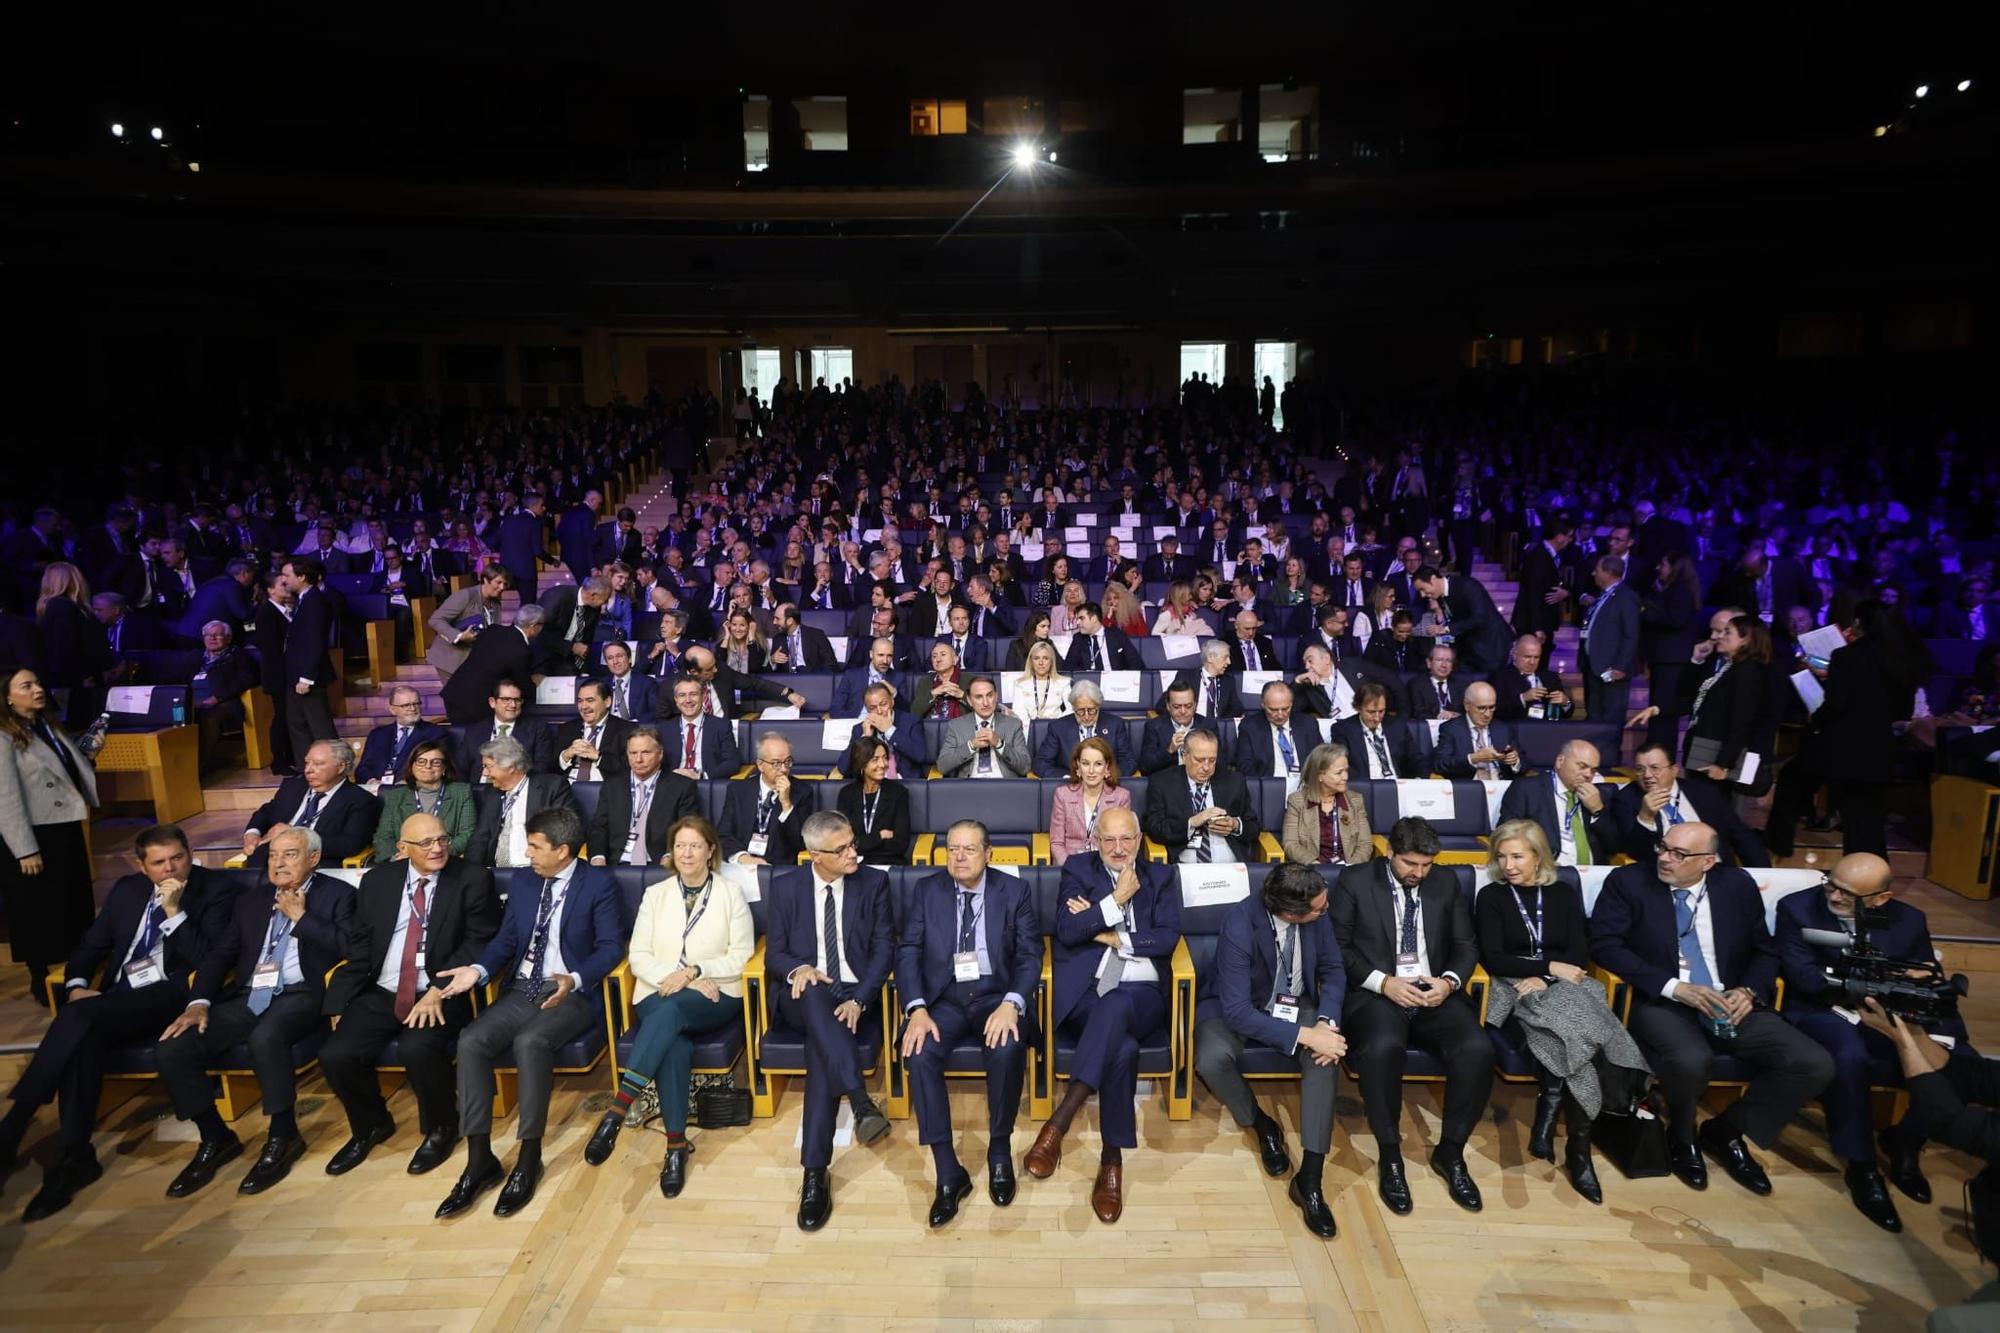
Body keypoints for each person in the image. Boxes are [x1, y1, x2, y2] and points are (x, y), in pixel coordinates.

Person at [1587, 821, 1835, 1197]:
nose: (1665, 858)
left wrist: (1750, 990)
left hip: (1729, 1000)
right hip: (1663, 1000)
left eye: (1679, 854)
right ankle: (1682, 1133)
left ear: (1707, 861)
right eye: (1663, 847)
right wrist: (1674, 988)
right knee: (1690, 1058)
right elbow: (1606, 945)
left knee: (1813, 1063)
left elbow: (1765, 950)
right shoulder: (1629, 882)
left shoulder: (1735, 885)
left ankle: (1728, 1131)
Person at [0, 824, 234, 1219]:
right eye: (159, 863)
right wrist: (75, 985)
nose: (170, 868)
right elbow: (90, 947)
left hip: (170, 994)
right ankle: (75, 1157)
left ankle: (15, 1124)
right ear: (142, 866)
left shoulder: (214, 890)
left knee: (78, 1019)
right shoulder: (127, 891)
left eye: (178, 857)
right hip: (116, 1000)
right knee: (82, 1037)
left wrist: (174, 912)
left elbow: (210, 959)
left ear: (189, 853)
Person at [432, 806, 624, 1219]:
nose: (528, 853)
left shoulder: (597, 884)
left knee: (531, 1041)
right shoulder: (523, 881)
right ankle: (479, 1159)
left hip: (569, 991)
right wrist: (478, 969)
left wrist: (574, 978)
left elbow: (610, 947)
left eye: (536, 847)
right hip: (522, 987)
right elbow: (507, 939)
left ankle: (529, 1155)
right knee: (472, 1041)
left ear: (563, 850)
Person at [155, 826, 356, 1198]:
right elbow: (220, 956)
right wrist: (198, 1003)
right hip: (249, 995)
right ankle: (215, 1137)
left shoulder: (337, 895)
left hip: (304, 993)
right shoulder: (251, 901)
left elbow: (351, 948)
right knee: (173, 1046)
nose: (278, 863)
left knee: (267, 1036)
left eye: (290, 854)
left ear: (313, 858)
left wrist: (302, 918)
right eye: (273, 855)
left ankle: (283, 1135)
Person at [1775, 853, 1962, 1232]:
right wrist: (1871, 988)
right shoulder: (1797, 908)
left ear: (1880, 898)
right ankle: (1862, 1166)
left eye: (1847, 893)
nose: (1834, 896)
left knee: (1953, 1055)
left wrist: (1897, 995)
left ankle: (1906, 1142)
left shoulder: (1909, 920)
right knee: (1850, 1055)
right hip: (1823, 1010)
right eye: (1831, 883)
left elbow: (1922, 975)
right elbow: (1806, 980)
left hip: (1891, 1008)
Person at [1476, 820, 1648, 1205]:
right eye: (1501, 857)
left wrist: (1550, 975)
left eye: (1517, 856)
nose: (1508, 865)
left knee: (1574, 1033)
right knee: (1579, 1041)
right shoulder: (1491, 897)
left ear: (1538, 857)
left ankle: (1552, 1112)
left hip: (1566, 984)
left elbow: (1577, 950)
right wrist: (1545, 970)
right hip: (1516, 986)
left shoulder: (1563, 894)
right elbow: (1493, 956)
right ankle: (1578, 1149)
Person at [318, 813, 500, 1178]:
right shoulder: (378, 882)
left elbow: (479, 939)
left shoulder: (473, 879)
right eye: (426, 843)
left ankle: (442, 1127)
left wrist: (438, 988)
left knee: (417, 1047)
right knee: (336, 1054)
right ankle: (371, 1125)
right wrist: (338, 1000)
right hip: (384, 988)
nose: (437, 849)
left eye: (442, 840)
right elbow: (361, 946)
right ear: (402, 848)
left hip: (442, 989)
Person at [584, 816, 755, 1199]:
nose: (687, 853)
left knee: (671, 1015)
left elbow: (741, 955)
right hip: (659, 991)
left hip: (715, 995)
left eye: (695, 845)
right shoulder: (655, 895)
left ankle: (617, 1110)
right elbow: (639, 955)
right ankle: (675, 1145)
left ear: (711, 850)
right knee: (672, 1038)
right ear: (671, 851)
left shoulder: (730, 893)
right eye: (680, 846)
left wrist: (697, 970)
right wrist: (678, 977)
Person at [1026, 807, 1181, 1225]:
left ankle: (1062, 1120)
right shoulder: (1078, 870)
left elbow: (1167, 938)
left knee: (1119, 1010)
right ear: (1095, 840)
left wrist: (1109, 932)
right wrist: (1116, 901)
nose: (1117, 849)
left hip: (1143, 991)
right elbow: (1066, 930)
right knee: (1122, 1047)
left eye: (1126, 840)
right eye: (1108, 840)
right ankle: (1111, 1160)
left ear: (1139, 837)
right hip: (1088, 993)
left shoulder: (1162, 877)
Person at [1332, 816, 1492, 1214]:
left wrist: (1450, 982)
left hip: (1432, 990)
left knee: (1477, 1048)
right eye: (1409, 864)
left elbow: (1465, 944)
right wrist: (1383, 983)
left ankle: (1450, 1152)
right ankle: (1390, 1154)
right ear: (1390, 852)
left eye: (1426, 865)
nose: (1418, 873)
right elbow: (1338, 948)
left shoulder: (1445, 883)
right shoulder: (1355, 882)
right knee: (1383, 1048)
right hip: (1378, 993)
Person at [897, 819, 1041, 1226]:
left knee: (1008, 1047)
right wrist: (916, 1009)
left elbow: (1031, 955)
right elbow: (907, 951)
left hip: (996, 996)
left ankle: (998, 1150)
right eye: (952, 849)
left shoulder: (1014, 891)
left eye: (969, 849)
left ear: (988, 854)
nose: (959, 857)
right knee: (919, 1052)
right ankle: (948, 1172)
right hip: (943, 1000)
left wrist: (1013, 1003)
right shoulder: (927, 891)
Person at [1193, 862, 1349, 1237]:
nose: (1324, 912)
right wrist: (1307, 1036)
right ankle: (1261, 1124)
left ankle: (1310, 1179)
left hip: (1297, 1003)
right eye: (1318, 910)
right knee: (1211, 1060)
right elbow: (1237, 1011)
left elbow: (1333, 970)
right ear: (1290, 914)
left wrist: (1326, 1022)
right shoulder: (1239, 923)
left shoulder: (1317, 907)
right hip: (1238, 1007)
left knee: (1324, 1060)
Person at [767, 810, 894, 1231]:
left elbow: (882, 951)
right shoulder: (786, 888)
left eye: (853, 843)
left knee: (823, 1054)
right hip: (802, 995)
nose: (854, 853)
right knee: (815, 991)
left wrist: (860, 998)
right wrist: (798, 969)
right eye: (842, 850)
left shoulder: (874, 882)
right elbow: (775, 955)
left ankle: (813, 1173)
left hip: (854, 995)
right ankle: (858, 1101)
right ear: (814, 855)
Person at [1764, 599, 1924, 858]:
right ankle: (1869, 875)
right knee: (1866, 818)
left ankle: (1777, 844)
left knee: (1792, 780)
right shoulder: (1902, 658)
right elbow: (1902, 711)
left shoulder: (1847, 655)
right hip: (1878, 748)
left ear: (1859, 623)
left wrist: (1816, 720)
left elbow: (1836, 705)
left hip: (1840, 747)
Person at [0, 665, 101, 1005]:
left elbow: (61, 771)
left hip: (63, 826)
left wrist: (86, 753)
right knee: (36, 907)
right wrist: (24, 849)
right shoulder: (3, 735)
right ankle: (40, 978)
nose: (37, 689)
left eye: (38, 682)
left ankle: (79, 970)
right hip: (32, 834)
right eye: (25, 686)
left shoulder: (44, 726)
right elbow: (5, 797)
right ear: (8, 698)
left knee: (73, 900)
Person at [1629, 610, 1773, 795]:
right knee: (1698, 797)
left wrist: (1722, 764)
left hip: (1717, 750)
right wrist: (1658, 709)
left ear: (1745, 640)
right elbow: (1698, 699)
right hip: (1702, 745)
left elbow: (1741, 723)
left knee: (1710, 803)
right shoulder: (1728, 666)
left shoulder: (1747, 672)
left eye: (1727, 632)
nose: (1719, 637)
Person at [1611, 742, 1766, 867]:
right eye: (1640, 769)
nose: (1647, 775)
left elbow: (1740, 834)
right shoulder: (1626, 799)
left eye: (1655, 768)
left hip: (1716, 870)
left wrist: (1764, 875)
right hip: (1668, 875)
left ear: (1674, 770)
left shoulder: (1703, 791)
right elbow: (1635, 851)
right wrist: (1645, 818)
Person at [240, 739, 382, 868]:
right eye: (307, 763)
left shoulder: (360, 800)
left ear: (340, 767)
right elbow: (267, 811)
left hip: (316, 867)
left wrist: (297, 835)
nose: (308, 770)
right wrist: (252, 833)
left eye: (318, 764)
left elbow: (350, 844)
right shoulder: (293, 787)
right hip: (268, 863)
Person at [585, 726, 701, 867]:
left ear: (660, 754)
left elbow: (687, 827)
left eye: (646, 752)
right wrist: (598, 857)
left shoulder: (681, 786)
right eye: (633, 753)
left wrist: (671, 854)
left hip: (660, 862)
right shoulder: (612, 786)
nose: (638, 759)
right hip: (615, 861)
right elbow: (599, 828)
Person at [1141, 729, 1261, 863]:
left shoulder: (1234, 781)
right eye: (1199, 760)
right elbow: (1154, 828)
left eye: (1212, 760)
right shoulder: (1162, 782)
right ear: (1184, 755)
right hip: (1186, 866)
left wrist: (1235, 825)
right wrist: (1192, 823)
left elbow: (1253, 826)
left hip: (1229, 866)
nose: (1206, 767)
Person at [464, 736, 584, 869]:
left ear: (510, 767)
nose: (485, 773)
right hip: (495, 870)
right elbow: (480, 839)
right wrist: (472, 871)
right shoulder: (491, 794)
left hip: (537, 870)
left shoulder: (552, 787)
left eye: (488, 766)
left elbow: (566, 831)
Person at [1496, 739, 1617, 867]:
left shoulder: (1599, 795)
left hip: (1593, 875)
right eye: (1582, 766)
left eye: (1593, 770)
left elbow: (1613, 846)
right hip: (1544, 873)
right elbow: (1505, 835)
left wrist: (1597, 810)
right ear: (1560, 761)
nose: (1588, 775)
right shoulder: (1527, 789)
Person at [1638, 553, 1704, 752]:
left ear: (1676, 568)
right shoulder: (1675, 590)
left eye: (1663, 564)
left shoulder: (1680, 591)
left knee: (1664, 709)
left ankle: (1661, 752)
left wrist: (1645, 611)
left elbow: (1675, 619)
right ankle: (1656, 750)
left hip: (1672, 659)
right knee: (1660, 707)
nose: (1659, 568)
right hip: (1665, 657)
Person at [371, 739, 478, 861]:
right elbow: (383, 836)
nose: (428, 766)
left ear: (444, 768)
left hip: (445, 860)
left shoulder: (461, 792)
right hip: (403, 862)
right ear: (411, 766)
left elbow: (467, 833)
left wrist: (436, 855)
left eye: (436, 762)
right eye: (421, 761)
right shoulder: (395, 796)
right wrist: (397, 858)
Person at [441, 602, 545, 726]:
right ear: (534, 626)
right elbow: (524, 686)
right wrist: (537, 687)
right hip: (475, 705)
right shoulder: (521, 651)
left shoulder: (492, 630)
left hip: (454, 692)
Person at [719, 733, 816, 865]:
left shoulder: (802, 792)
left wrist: (786, 804)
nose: (784, 769)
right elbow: (723, 835)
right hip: (741, 864)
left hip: (778, 869)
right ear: (760, 765)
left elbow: (801, 843)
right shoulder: (737, 791)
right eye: (776, 763)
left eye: (788, 761)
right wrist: (743, 858)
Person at [279, 557, 339, 760]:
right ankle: (308, 772)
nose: (283, 580)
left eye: (287, 575)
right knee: (297, 724)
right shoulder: (304, 599)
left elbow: (315, 642)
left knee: (320, 727)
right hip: (295, 675)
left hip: (308, 677)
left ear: (302, 577)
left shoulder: (315, 602)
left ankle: (336, 768)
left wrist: (306, 677)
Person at [1281, 742, 1373, 866]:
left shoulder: (1355, 801)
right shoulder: (1297, 802)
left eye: (1346, 771)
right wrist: (1315, 865)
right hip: (1311, 870)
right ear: (1320, 775)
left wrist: (1351, 867)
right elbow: (1290, 844)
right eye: (1339, 773)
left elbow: (1365, 844)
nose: (1345, 777)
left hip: (1350, 869)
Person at [1048, 736, 1132, 865]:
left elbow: (1120, 843)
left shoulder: (1121, 797)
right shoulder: (1062, 795)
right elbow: (1057, 843)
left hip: (1105, 866)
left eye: (1098, 764)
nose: (1091, 771)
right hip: (1070, 865)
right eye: (1086, 763)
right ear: (1078, 766)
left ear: (1107, 767)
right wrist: (1071, 867)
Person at [1412, 564, 1511, 672]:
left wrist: (1446, 629)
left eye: (1423, 589)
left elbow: (1479, 618)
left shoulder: (1467, 585)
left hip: (1491, 648)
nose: (1422, 595)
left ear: (1433, 579)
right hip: (1469, 651)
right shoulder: (1440, 597)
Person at [1578, 555, 1639, 724]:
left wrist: (1620, 666)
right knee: (1594, 717)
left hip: (1612, 670)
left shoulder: (1626, 597)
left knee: (1610, 720)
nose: (1593, 573)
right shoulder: (1603, 596)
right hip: (1594, 667)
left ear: (1608, 573)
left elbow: (1631, 635)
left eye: (1597, 570)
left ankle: (1610, 751)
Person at [834, 733, 912, 864]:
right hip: (852, 863)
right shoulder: (846, 794)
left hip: (888, 863)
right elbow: (843, 842)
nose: (882, 764)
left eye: (884, 758)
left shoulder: (898, 793)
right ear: (861, 764)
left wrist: (861, 843)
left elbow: (900, 844)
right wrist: (879, 836)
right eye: (875, 759)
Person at [1235, 681, 1321, 795]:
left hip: (1306, 789)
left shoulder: (1308, 723)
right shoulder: (1250, 727)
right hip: (1269, 790)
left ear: (1291, 703)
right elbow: (1244, 766)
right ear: (1263, 704)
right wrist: (1266, 788)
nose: (1280, 715)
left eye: (1286, 708)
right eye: (1273, 710)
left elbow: (1322, 758)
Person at [937, 676, 1031, 778]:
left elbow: (1025, 767)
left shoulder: (1013, 725)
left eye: (989, 696)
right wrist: (971, 746)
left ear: (996, 696)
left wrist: (1000, 744)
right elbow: (943, 766)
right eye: (979, 697)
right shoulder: (956, 726)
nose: (985, 703)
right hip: (970, 788)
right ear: (969, 700)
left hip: (1004, 786)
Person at [1331, 681, 1424, 781]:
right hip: (1364, 787)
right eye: (1371, 712)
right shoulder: (1343, 729)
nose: (1377, 718)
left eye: (1381, 711)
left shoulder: (1398, 726)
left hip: (1398, 785)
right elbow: (1340, 764)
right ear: (1358, 708)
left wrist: (1419, 778)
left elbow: (1417, 759)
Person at [355, 685, 445, 787]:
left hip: (410, 790)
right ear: (393, 709)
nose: (412, 708)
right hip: (376, 790)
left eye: (416, 704)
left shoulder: (435, 733)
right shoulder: (377, 735)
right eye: (406, 705)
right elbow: (363, 769)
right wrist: (371, 781)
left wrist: (409, 783)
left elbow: (437, 768)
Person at [1432, 682, 1521, 782]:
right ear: (1467, 705)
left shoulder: (1503, 728)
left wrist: (1515, 761)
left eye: (1492, 707)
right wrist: (1473, 758)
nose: (1487, 714)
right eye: (1481, 708)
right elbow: (1440, 765)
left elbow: (1525, 760)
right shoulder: (1451, 729)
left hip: (1501, 785)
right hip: (1468, 789)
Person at [552, 680, 634, 784]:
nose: (584, 706)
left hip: (606, 789)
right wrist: (565, 755)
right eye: (580, 701)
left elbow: (631, 767)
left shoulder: (626, 729)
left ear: (607, 702)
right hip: (568, 788)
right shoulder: (568, 728)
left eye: (590, 700)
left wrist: (598, 757)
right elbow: (550, 768)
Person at [1061, 601, 1140, 672]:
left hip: (1115, 682)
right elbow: (1068, 667)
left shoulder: (1117, 635)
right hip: (1089, 683)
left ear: (1094, 619)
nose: (1077, 622)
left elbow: (1136, 663)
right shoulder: (1078, 639)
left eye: (1081, 618)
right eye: (1077, 619)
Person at [1008, 640, 1073, 721]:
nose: (1041, 662)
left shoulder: (1063, 683)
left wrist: (1057, 725)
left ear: (1051, 661)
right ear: (1031, 661)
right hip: (1028, 728)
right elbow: (1019, 711)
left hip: (1057, 727)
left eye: (1045, 658)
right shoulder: (1020, 684)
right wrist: (1033, 727)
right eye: (1036, 658)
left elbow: (1071, 709)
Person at [1407, 643, 1467, 721]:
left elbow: (1471, 711)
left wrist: (1456, 715)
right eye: (1439, 660)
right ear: (1429, 663)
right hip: (1428, 729)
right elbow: (1417, 713)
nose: (1444, 665)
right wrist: (1440, 718)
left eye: (1448, 661)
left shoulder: (1462, 684)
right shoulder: (1416, 684)